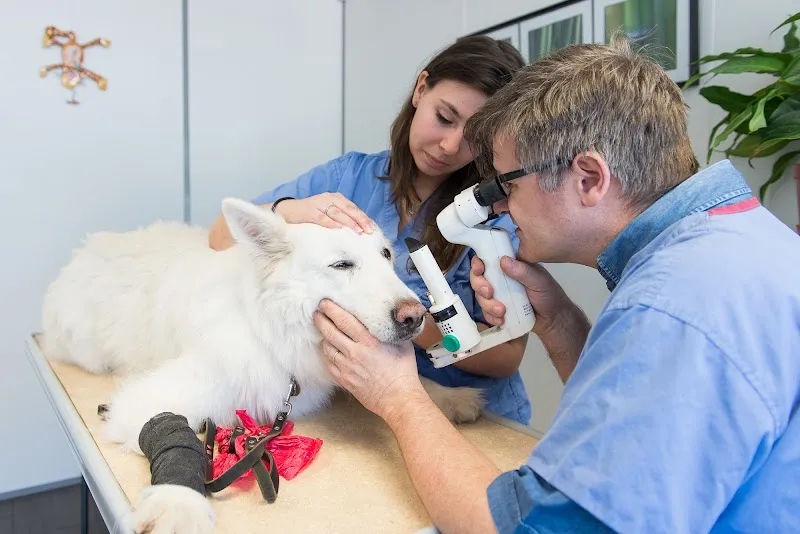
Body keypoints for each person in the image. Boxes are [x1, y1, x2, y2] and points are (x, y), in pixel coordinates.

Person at [312, 32, 800, 534]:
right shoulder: (737, 239)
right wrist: (563, 324)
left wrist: (398, 396)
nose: (497, 207)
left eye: (506, 185)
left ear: (589, 178)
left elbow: (527, 530)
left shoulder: (674, 305)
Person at [207, 35, 534, 425]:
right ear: (420, 89)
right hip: (367, 410)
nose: (448, 145)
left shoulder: (493, 213)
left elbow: (507, 356)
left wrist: (409, 321)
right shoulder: (349, 178)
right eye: (444, 118)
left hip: (472, 415)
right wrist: (290, 209)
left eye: (473, 140)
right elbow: (219, 237)